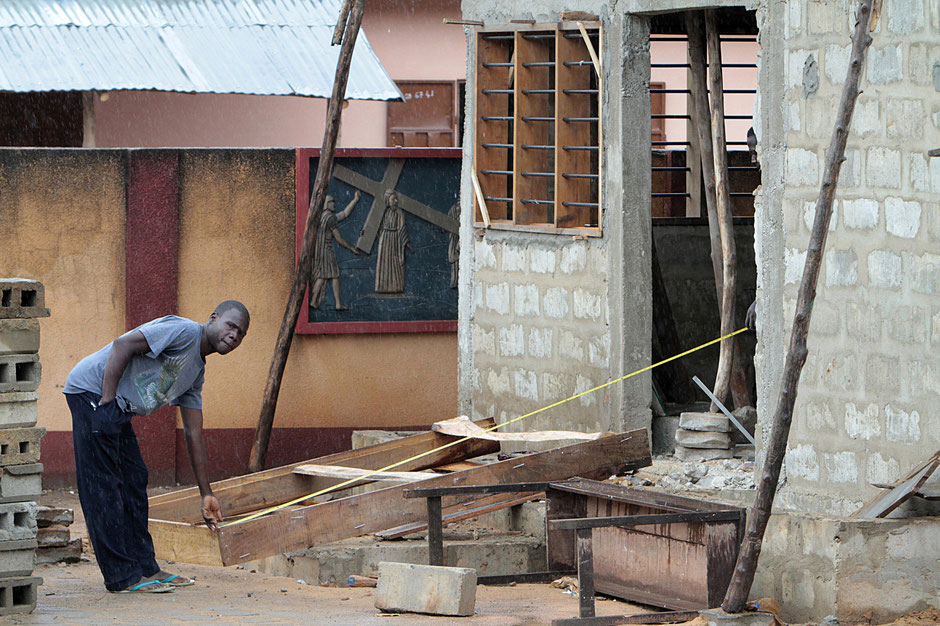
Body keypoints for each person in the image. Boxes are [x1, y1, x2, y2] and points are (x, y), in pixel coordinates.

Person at [62, 301, 250, 594]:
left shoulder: (196, 372)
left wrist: (206, 493)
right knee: (103, 487)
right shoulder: (185, 331)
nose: (234, 335)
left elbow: (193, 433)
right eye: (230, 325)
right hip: (92, 393)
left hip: (116, 408)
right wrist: (107, 402)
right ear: (213, 318)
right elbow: (123, 344)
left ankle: (146, 568)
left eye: (240, 334)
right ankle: (121, 577)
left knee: (135, 479)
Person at [310, 192, 362, 310]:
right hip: (327, 251)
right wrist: (351, 248)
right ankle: (338, 304)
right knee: (335, 275)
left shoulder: (322, 217)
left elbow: (344, 214)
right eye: (332, 202)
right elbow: (338, 239)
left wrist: (355, 200)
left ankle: (313, 301)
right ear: (327, 204)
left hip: (320, 251)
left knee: (322, 276)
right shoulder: (330, 219)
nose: (334, 204)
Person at [374, 190, 412, 294]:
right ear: (387, 201)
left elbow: (402, 228)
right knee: (385, 263)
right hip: (385, 240)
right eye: (392, 199)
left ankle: (395, 286)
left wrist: (406, 243)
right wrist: (381, 236)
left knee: (395, 263)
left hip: (395, 240)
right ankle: (383, 287)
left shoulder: (399, 212)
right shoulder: (384, 212)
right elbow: (379, 227)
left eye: (396, 199)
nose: (395, 201)